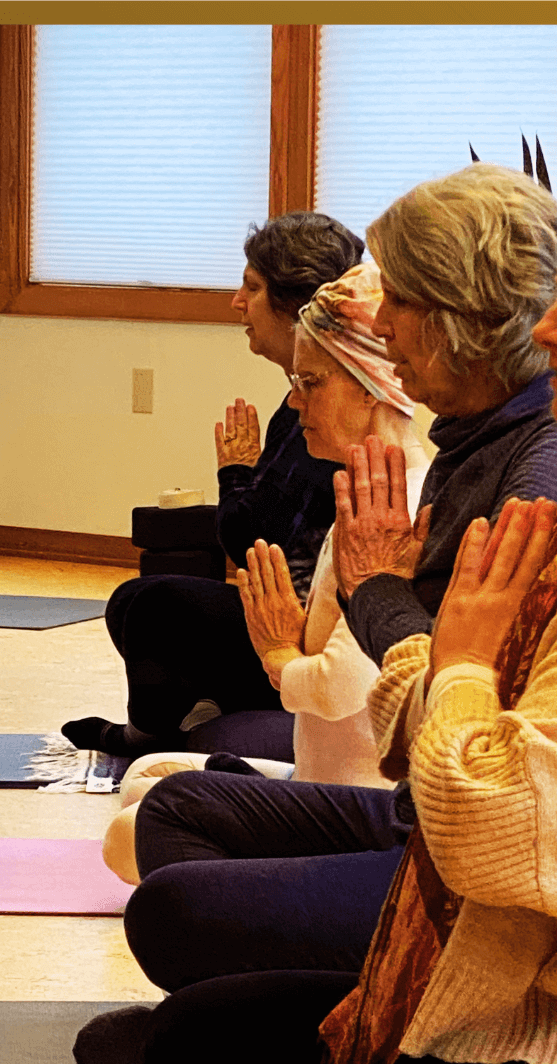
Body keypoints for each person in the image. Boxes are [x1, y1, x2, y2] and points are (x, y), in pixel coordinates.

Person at [134, 157, 557, 1064]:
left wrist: (404, 627)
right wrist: (425, 647)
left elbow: (489, 829)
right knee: (192, 1049)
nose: (550, 328)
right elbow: (462, 744)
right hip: (498, 911)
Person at [122, 165, 557, 994]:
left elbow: (466, 726)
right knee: (172, 812)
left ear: (460, 317)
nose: (386, 324)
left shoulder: (537, 471)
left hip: (466, 853)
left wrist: (357, 605)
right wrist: (358, 603)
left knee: (174, 917)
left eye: (398, 301)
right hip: (416, 804)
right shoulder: (470, 442)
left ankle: (325, 1012)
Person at [101, 263, 430, 886]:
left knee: (129, 834)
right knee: (144, 779)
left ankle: (298, 873)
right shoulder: (365, 491)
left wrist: (279, 655)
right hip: (317, 778)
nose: (294, 400)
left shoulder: (400, 506)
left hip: (359, 808)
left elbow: (341, 689)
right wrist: (295, 631)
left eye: (311, 382)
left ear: (371, 387)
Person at [61, 212, 364, 761]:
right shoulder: (298, 403)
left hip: (306, 637)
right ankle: (192, 713)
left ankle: (149, 735)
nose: (236, 302)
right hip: (282, 617)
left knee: (156, 607)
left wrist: (235, 473)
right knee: (131, 601)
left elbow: (253, 541)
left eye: (252, 287)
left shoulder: (333, 414)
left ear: (296, 306)